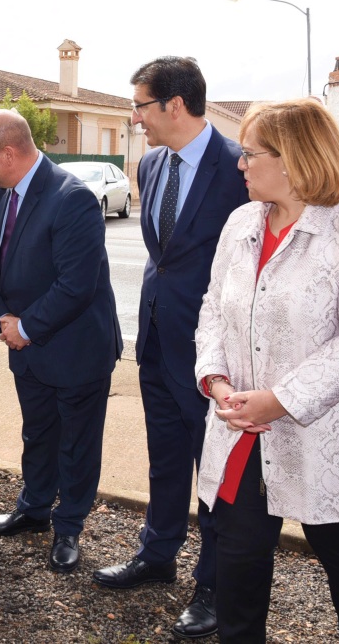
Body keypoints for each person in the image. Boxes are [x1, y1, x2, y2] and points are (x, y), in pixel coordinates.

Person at [196, 98, 339, 643]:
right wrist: (217, 382)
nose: (240, 164)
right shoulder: (242, 221)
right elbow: (214, 308)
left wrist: (280, 399)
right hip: (242, 425)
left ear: (292, 158)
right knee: (238, 555)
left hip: (330, 432)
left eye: (250, 154)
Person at [91, 56, 249, 639]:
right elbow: (164, 256)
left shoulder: (240, 167)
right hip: (156, 338)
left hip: (213, 355)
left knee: (215, 470)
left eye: (139, 106)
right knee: (165, 456)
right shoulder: (152, 163)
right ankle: (157, 555)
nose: (134, 118)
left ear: (174, 105)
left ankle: (214, 585)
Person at [0, 109, 122, 574]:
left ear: (8, 153)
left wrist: (25, 328)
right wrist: (3, 318)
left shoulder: (72, 198)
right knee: (37, 433)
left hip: (75, 348)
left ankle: (69, 527)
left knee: (77, 444)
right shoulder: (0, 197)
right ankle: (34, 508)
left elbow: (77, 285)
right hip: (27, 347)